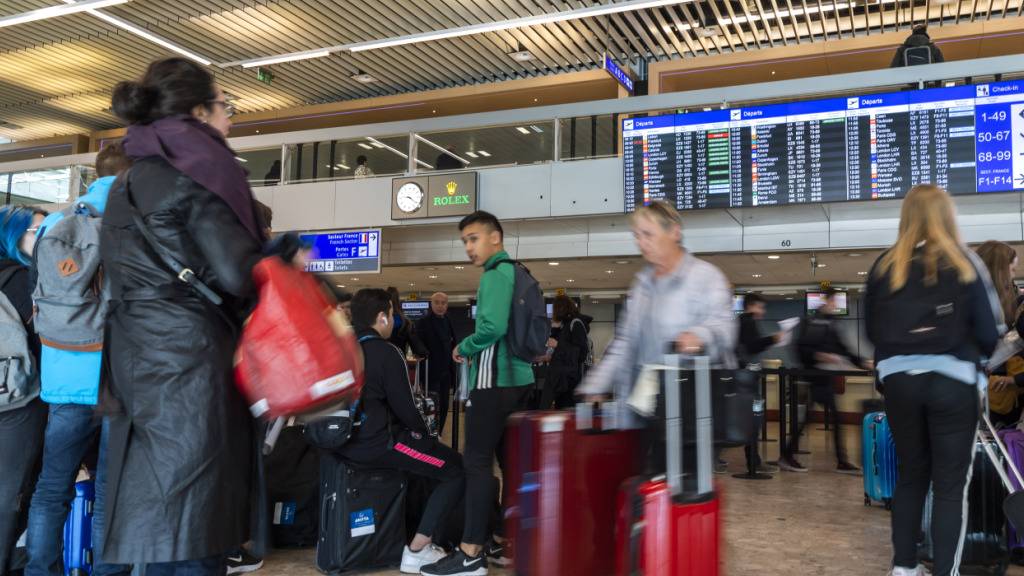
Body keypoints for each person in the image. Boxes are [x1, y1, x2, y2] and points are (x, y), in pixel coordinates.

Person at [100, 57, 266, 576]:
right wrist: (279, 257)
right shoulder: (200, 173)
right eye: (226, 106)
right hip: (190, 362)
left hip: (134, 359)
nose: (230, 119)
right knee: (198, 518)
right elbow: (239, 276)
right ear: (198, 111)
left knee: (159, 517)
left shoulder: (126, 182)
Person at [864, 184, 1002, 576]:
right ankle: (946, 571)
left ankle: (904, 569)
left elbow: (873, 331)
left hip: (899, 384)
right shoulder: (965, 262)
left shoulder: (884, 265)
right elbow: (990, 332)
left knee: (911, 476)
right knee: (949, 486)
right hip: (953, 382)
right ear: (947, 215)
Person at [24, 144, 133, 576]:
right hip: (117, 376)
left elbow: (40, 302)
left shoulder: (54, 224)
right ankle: (108, 571)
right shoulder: (133, 225)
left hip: (65, 370)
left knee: (52, 486)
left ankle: (39, 570)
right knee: (109, 487)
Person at [420, 211, 535, 576]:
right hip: (520, 380)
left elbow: (492, 327)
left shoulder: (494, 276)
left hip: (494, 381)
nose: (469, 247)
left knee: (476, 461)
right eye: (465, 241)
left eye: (474, 238)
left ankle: (470, 553)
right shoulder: (517, 273)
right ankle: (506, 539)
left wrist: (465, 346)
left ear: (495, 238)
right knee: (510, 462)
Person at [577, 200, 737, 429]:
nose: (640, 243)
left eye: (647, 234)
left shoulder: (705, 277)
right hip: (646, 407)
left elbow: (724, 328)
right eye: (636, 235)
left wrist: (699, 336)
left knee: (683, 464)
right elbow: (624, 343)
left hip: (693, 408)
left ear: (674, 231)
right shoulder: (641, 286)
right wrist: (596, 384)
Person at [339, 289, 464, 574]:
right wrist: (427, 435)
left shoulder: (340, 348)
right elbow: (407, 410)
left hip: (343, 442)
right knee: (456, 469)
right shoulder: (386, 352)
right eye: (392, 315)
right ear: (382, 317)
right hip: (379, 443)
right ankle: (418, 549)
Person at [0, 206, 48, 575]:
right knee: (11, 494)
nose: (45, 237)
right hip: (17, 403)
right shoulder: (24, 281)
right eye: (36, 230)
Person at [778, 289, 864, 475]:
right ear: (825, 301)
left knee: (814, 418)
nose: (835, 305)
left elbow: (842, 348)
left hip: (826, 376)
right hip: (816, 375)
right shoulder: (811, 321)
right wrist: (818, 356)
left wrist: (862, 361)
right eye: (833, 301)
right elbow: (801, 348)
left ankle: (788, 455)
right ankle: (840, 460)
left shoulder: (832, 323)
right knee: (834, 418)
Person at [976, 241, 1024, 428]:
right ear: (999, 271)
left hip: (1009, 401)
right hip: (991, 399)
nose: (1014, 277)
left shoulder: (1017, 305)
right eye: (1012, 270)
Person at [735, 293, 782, 476]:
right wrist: (773, 339)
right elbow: (752, 346)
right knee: (752, 420)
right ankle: (753, 463)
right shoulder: (747, 322)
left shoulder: (743, 322)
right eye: (760, 307)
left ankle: (754, 461)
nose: (762, 312)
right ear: (751, 306)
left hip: (745, 376)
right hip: (746, 377)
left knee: (752, 419)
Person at [416, 292, 458, 434]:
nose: (440, 306)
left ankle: (438, 433)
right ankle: (430, 433)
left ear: (447, 305)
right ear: (431, 304)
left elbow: (453, 344)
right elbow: (419, 346)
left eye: (443, 303)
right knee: (431, 406)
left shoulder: (449, 320)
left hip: (446, 372)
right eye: (437, 302)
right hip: (430, 373)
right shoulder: (423, 322)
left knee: (445, 405)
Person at [539, 295, 591, 410]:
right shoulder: (564, 326)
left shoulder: (575, 324)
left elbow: (581, 353)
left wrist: (558, 344)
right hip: (562, 379)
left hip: (569, 380)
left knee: (567, 412)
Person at [387, 286, 427, 359]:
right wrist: (421, 353)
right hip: (399, 360)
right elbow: (416, 345)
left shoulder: (379, 321)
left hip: (381, 360)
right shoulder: (405, 322)